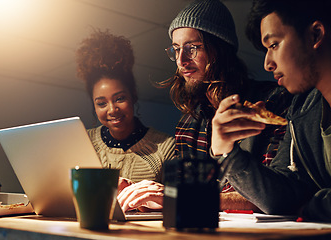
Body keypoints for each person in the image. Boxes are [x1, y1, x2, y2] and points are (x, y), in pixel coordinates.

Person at [118, 0, 292, 212]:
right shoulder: (188, 123)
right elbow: (189, 196)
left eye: (192, 48)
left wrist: (176, 198)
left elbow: (276, 193)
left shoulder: (274, 102)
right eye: (176, 49)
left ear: (220, 50)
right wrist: (150, 198)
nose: (181, 60)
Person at [211, 0, 331, 221]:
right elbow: (281, 199)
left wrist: (312, 205)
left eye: (274, 45)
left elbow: (300, 201)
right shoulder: (300, 110)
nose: (267, 64)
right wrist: (226, 151)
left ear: (315, 35)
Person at [75, 30, 175, 187]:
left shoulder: (165, 148)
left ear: (133, 95)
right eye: (102, 103)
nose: (112, 109)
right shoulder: (82, 142)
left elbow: (177, 204)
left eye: (119, 99)